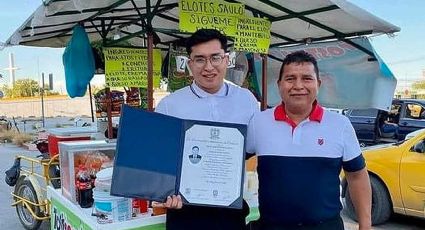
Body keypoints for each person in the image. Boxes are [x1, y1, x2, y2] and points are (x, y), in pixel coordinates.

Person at [246, 50, 372, 230]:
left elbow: (357, 176)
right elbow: (231, 159)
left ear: (318, 84)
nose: (298, 86)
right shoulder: (259, 122)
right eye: (290, 79)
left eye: (306, 78)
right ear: (279, 84)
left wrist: (365, 225)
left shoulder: (340, 125)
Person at [155, 28, 259, 230]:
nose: (208, 67)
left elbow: (253, 148)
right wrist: (165, 192)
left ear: (226, 59)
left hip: (231, 212)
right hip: (185, 213)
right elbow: (160, 159)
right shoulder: (170, 105)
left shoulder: (246, 100)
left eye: (215, 58)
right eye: (200, 59)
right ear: (190, 63)